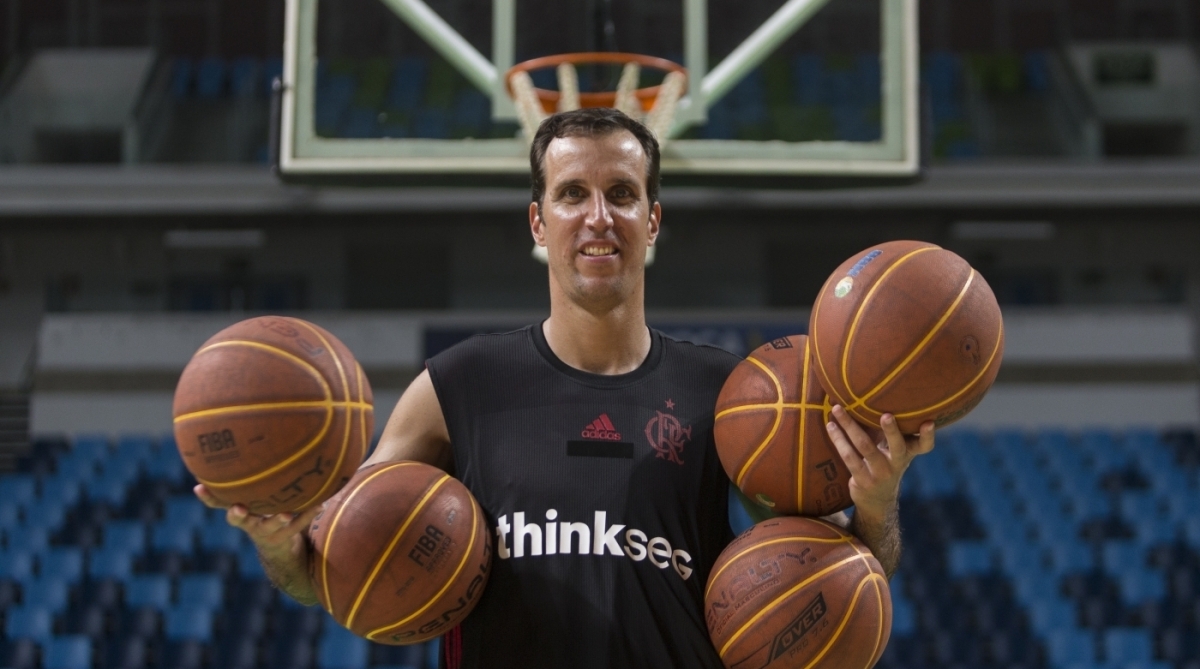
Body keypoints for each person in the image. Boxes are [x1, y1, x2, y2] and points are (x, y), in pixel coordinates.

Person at [194, 107, 934, 668]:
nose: (598, 216)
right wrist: (280, 544)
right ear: (539, 223)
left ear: (653, 220)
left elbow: (841, 566)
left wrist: (874, 504)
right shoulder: (458, 384)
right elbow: (336, 570)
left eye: (621, 192)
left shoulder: (732, 395)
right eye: (572, 193)